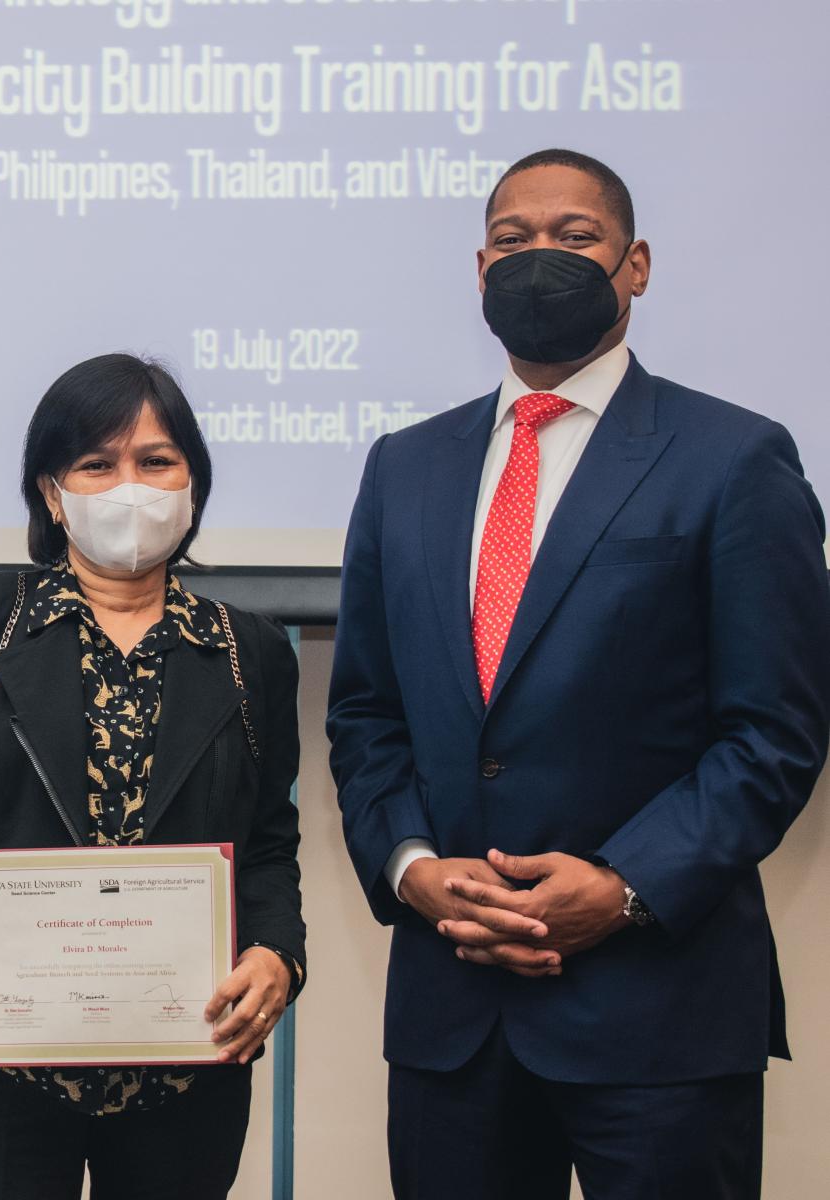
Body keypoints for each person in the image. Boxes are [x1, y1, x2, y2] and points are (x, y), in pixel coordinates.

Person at [326, 147, 830, 1199]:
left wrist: (625, 886)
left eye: (576, 237)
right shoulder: (402, 468)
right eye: (513, 241)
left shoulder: (736, 459)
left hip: (661, 1020)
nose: (540, 259)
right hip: (451, 1016)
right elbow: (367, 715)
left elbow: (774, 730)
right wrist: (414, 869)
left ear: (636, 265)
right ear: (478, 270)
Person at [0, 354, 305, 1199]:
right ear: (52, 493)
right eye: (96, 464)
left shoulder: (248, 651)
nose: (128, 486)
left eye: (156, 461)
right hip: (6, 1063)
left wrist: (279, 953)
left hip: (190, 1070)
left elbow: (271, 847)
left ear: (193, 486)